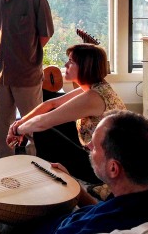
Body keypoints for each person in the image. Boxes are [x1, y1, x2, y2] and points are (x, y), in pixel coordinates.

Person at [0, 110, 148, 234]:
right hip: (47, 219)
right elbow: (103, 209)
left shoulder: (86, 229)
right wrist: (76, 191)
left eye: (94, 146)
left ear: (113, 168)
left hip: (25, 228)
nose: (87, 146)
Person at [8, 43, 126, 183]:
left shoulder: (93, 97)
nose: (65, 65)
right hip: (104, 152)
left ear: (84, 66)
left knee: (43, 130)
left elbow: (42, 122)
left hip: (106, 167)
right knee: (46, 116)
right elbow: (51, 104)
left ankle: (51, 182)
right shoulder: (98, 86)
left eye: (71, 61)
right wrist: (19, 123)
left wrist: (17, 130)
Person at [0, 0, 54, 158]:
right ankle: (4, 168)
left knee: (33, 128)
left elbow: (45, 34)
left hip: (27, 76)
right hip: (0, 76)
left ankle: (34, 170)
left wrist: (25, 57)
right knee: (0, 128)